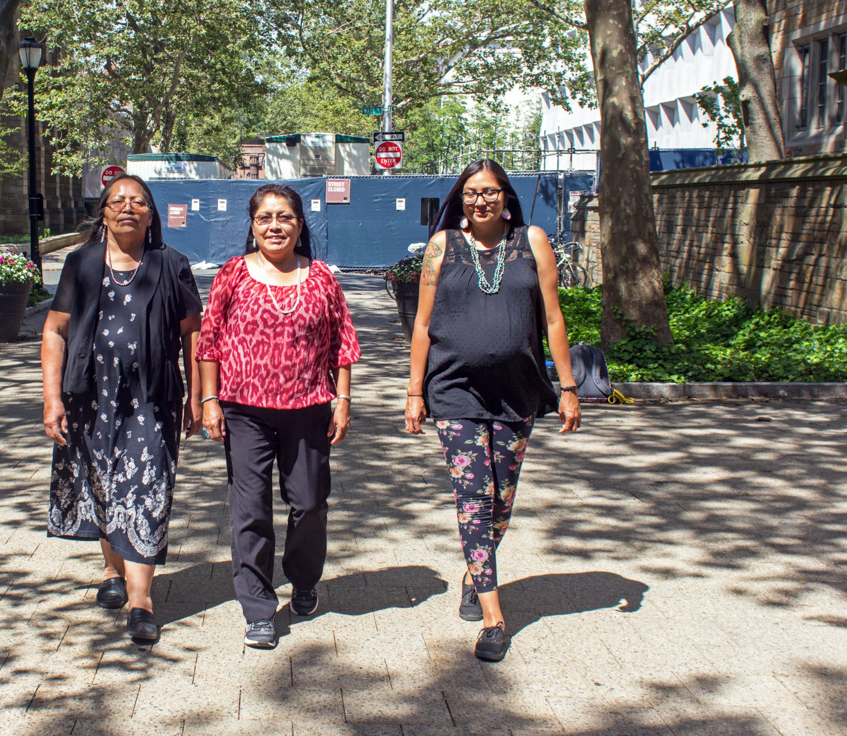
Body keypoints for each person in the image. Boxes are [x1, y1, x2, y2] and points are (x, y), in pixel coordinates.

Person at [404, 159, 581, 661]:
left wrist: (567, 385)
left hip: (516, 390)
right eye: (469, 193)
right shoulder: (442, 247)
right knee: (474, 497)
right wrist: (415, 391)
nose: (479, 200)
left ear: (506, 197)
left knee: (501, 499)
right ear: (460, 200)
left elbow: (552, 317)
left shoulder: (534, 242)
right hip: (454, 389)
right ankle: (493, 617)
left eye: (489, 192)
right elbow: (421, 325)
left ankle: (473, 571)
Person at [196, 184, 361, 650]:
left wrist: (343, 400)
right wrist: (210, 401)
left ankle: (304, 578)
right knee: (249, 510)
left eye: (284, 217)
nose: (275, 226)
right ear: (252, 226)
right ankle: (258, 608)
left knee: (309, 504)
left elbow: (341, 343)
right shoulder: (231, 274)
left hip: (308, 409)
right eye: (265, 217)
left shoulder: (322, 277)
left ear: (300, 224)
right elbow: (208, 342)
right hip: (243, 410)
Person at [41, 174, 203, 642]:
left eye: (139, 202)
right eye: (118, 201)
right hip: (89, 393)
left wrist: (196, 393)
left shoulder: (171, 264)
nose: (128, 208)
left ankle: (141, 599)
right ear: (104, 213)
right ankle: (112, 572)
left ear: (151, 215)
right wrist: (52, 398)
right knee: (101, 480)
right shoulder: (81, 262)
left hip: (153, 395)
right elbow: (55, 330)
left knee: (148, 481)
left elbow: (193, 332)